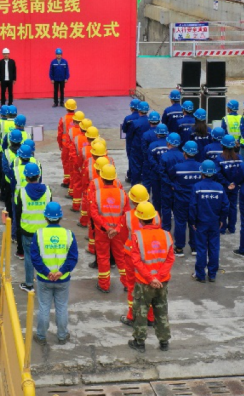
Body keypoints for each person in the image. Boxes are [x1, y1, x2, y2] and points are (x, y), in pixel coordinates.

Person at [125, 201, 174, 353]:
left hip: (144, 282)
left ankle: (139, 342)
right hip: (162, 283)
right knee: (161, 310)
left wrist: (150, 278)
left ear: (139, 219)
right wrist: (158, 277)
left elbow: (136, 261)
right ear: (154, 218)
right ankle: (164, 341)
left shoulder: (137, 236)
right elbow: (170, 259)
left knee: (141, 311)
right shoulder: (166, 235)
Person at [31, 202, 78, 344]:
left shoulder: (39, 234)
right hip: (62, 279)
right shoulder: (69, 235)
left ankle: (41, 336)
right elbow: (73, 257)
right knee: (62, 307)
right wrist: (61, 272)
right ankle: (62, 336)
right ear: (60, 217)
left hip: (44, 279)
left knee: (44, 307)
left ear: (45, 217)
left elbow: (35, 257)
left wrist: (46, 272)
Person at [189, 160, 229, 283]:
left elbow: (192, 206)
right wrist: (222, 219)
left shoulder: (197, 187)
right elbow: (225, 205)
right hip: (214, 222)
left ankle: (200, 275)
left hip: (201, 222)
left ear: (202, 172)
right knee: (214, 248)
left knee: (201, 248)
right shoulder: (219, 187)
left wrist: (193, 221)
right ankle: (212, 274)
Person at [89, 163, 127, 294]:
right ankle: (127, 283)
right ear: (114, 178)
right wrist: (116, 229)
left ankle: (104, 285)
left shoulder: (97, 194)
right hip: (118, 233)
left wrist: (106, 227)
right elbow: (125, 214)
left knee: (103, 258)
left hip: (102, 233)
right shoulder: (122, 194)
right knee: (121, 257)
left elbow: (94, 214)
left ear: (101, 176)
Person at [17, 162, 52, 292]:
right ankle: (46, 281)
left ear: (26, 177)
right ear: (39, 175)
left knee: (29, 257)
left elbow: (18, 213)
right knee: (44, 256)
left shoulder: (22, 193)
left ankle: (29, 284)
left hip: (28, 231)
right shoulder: (48, 191)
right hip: (44, 231)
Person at [171, 141, 205, 254]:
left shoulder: (178, 167)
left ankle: (179, 248)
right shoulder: (201, 167)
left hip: (181, 200)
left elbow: (171, 179)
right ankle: (194, 247)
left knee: (180, 223)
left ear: (184, 152)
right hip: (196, 200)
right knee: (194, 223)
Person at [217, 135, 242, 235]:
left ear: (222, 145)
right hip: (235, 187)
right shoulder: (239, 158)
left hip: (224, 187)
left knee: (223, 206)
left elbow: (218, 174)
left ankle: (222, 228)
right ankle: (232, 228)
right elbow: (241, 172)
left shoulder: (219, 159)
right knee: (233, 207)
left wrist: (227, 183)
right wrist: (235, 183)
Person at [57, 99, 78, 190]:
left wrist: (60, 144)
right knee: (75, 164)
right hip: (76, 144)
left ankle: (67, 181)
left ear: (66, 108)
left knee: (66, 163)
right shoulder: (79, 118)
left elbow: (60, 133)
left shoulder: (63, 119)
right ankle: (74, 182)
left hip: (66, 144)